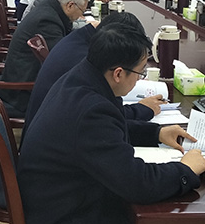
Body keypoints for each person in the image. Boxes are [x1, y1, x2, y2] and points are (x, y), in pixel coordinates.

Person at [18, 23, 205, 224]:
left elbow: (105, 132)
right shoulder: (92, 111)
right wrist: (185, 170)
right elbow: (138, 184)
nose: (139, 79)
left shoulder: (82, 76)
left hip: (57, 199)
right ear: (118, 74)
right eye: (140, 73)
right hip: (65, 218)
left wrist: (156, 133)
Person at [24, 12, 167, 133]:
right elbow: (104, 118)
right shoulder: (83, 60)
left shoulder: (83, 45)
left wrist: (156, 133)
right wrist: (142, 110)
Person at [0, 0, 91, 117]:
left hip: (25, 77)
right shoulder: (48, 20)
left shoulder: (51, 7)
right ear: (70, 5)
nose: (81, 16)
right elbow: (62, 59)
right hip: (22, 92)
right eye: (82, 11)